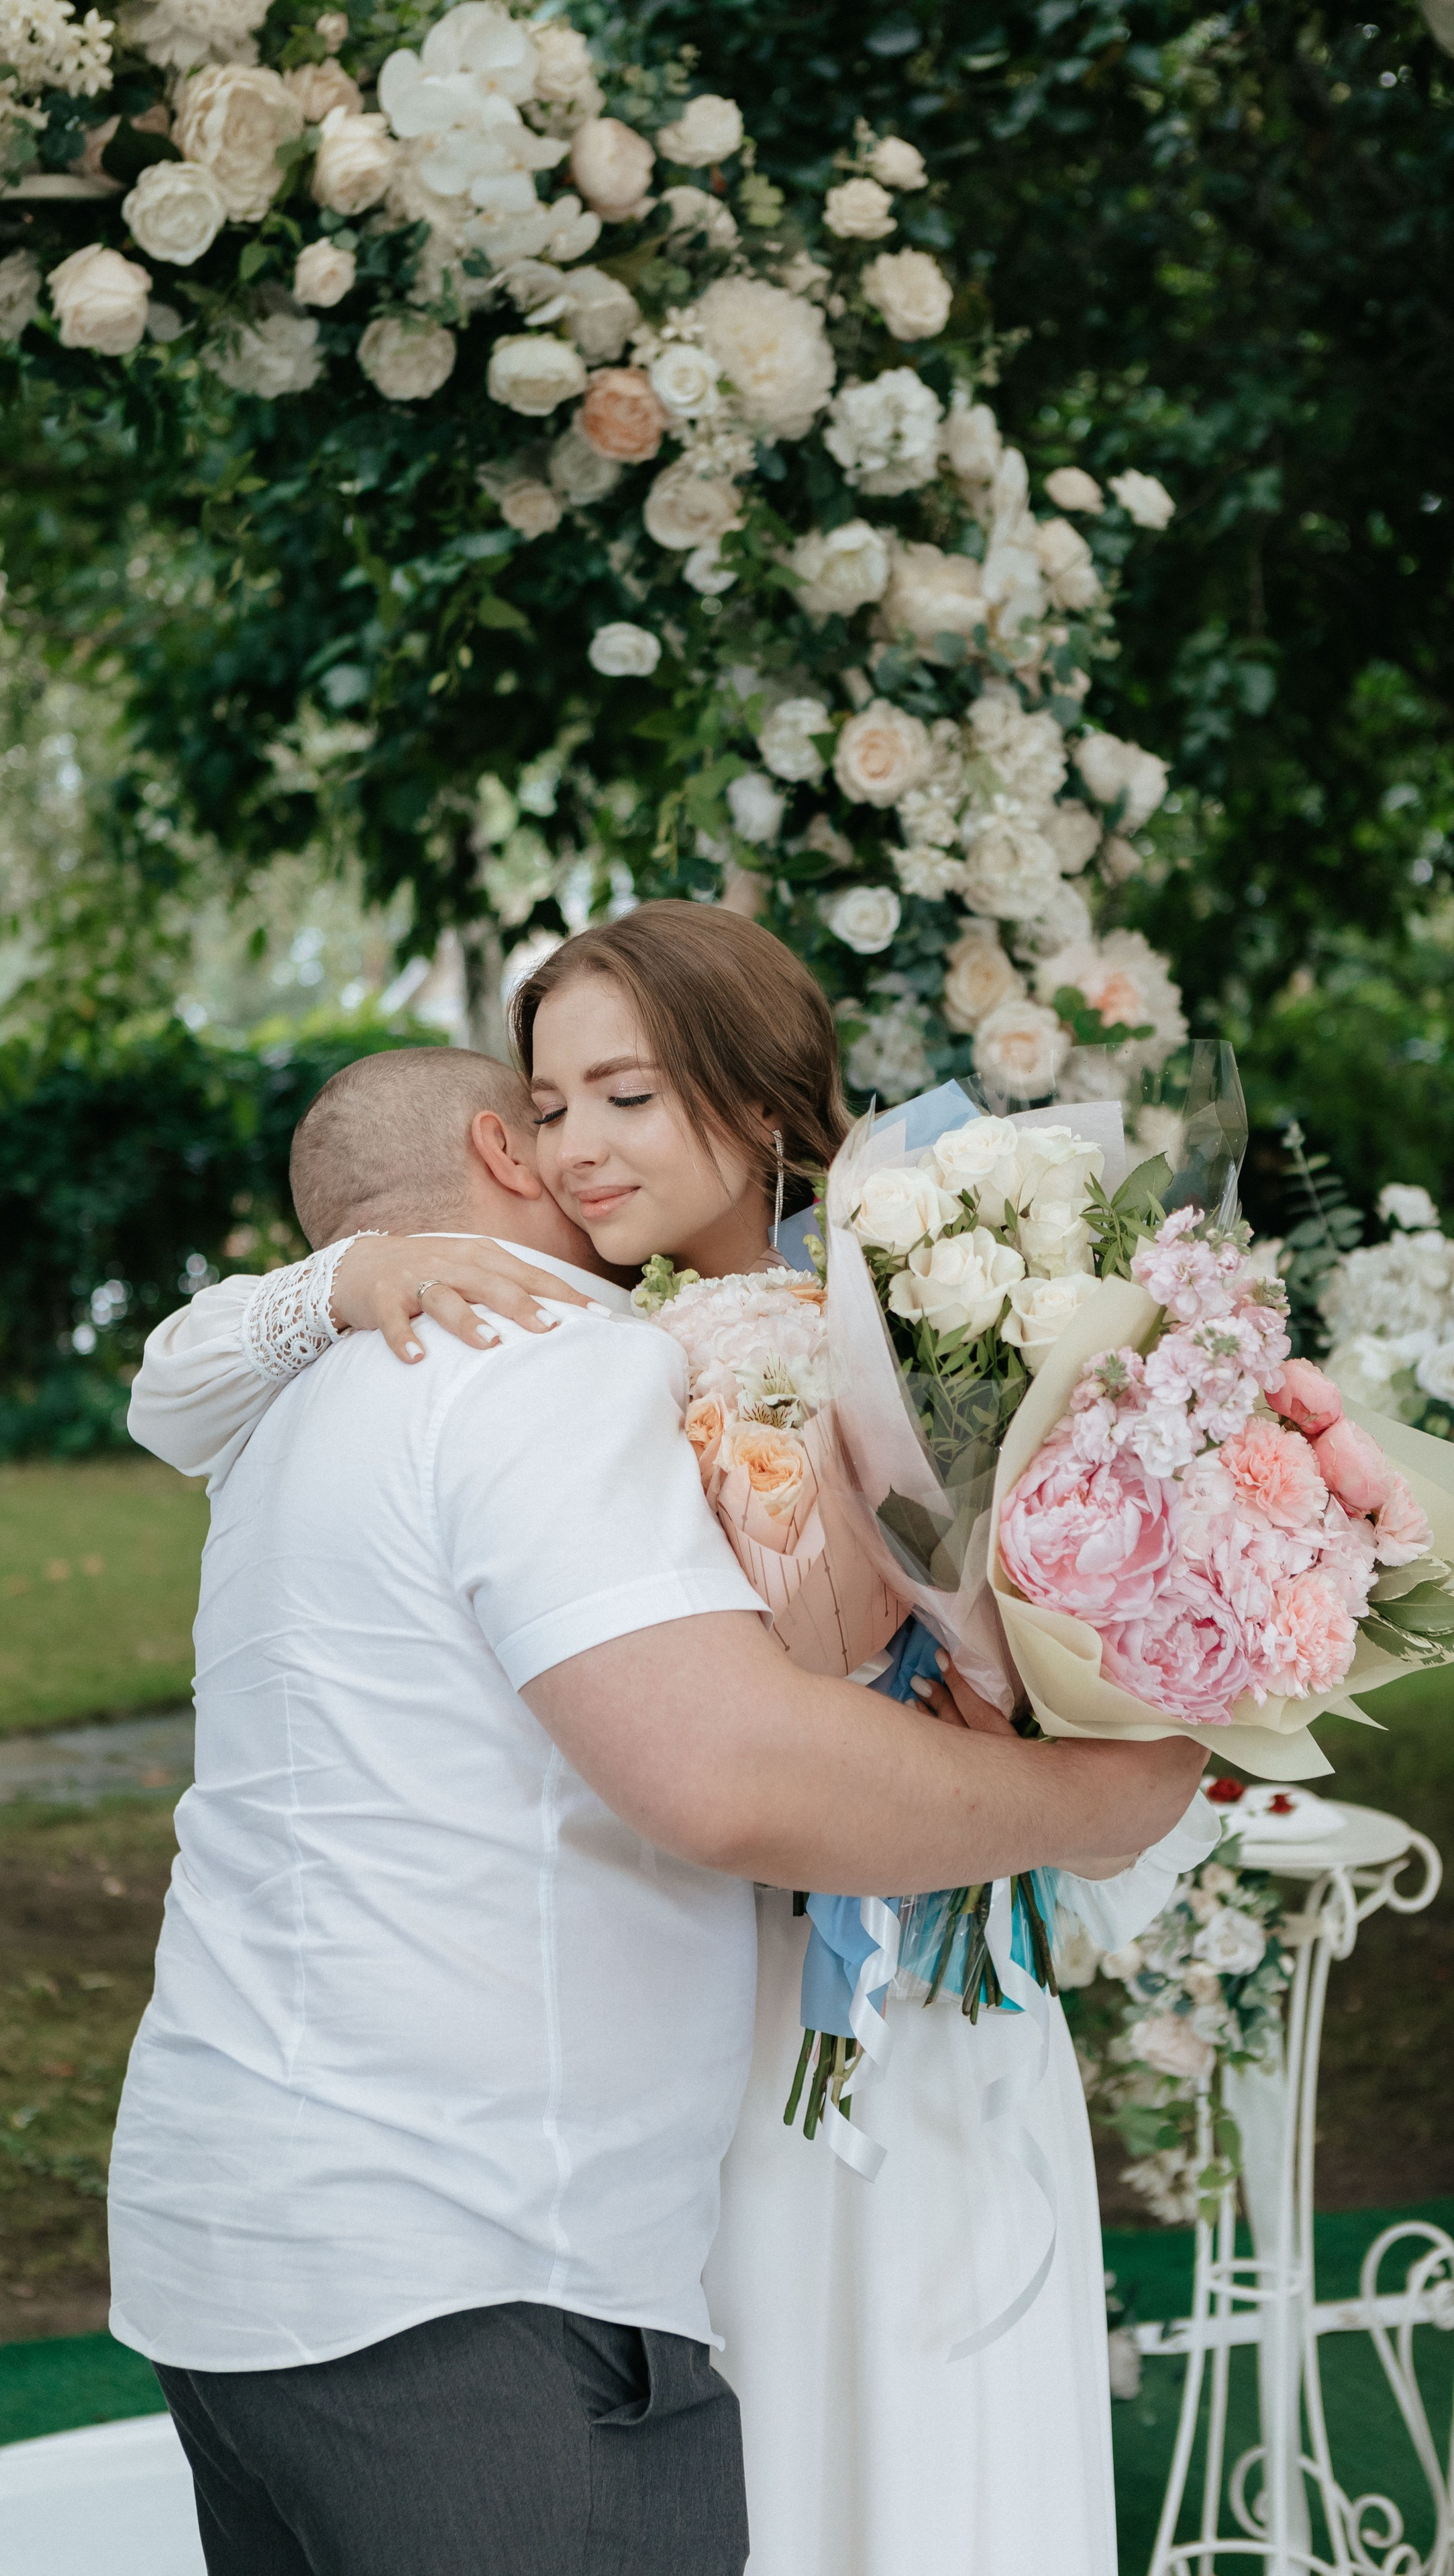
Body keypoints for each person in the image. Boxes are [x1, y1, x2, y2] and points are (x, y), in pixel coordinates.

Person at [123, 908, 1210, 2576]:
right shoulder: (515, 1347)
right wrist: (341, 1271)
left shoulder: (897, 1298)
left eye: (621, 1096)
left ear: (753, 1096)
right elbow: (719, 1764)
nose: (577, 1146)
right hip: (663, 2034)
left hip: (866, 1968)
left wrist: (1043, 1728)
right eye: (550, 1109)